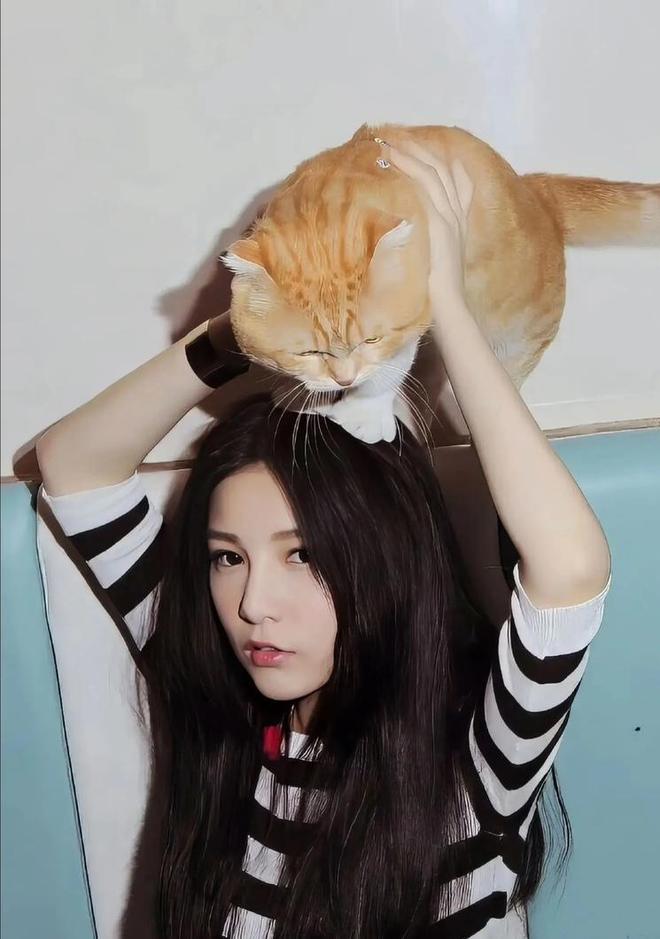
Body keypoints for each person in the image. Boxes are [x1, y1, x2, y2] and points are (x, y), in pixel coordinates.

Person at [35, 139, 612, 939]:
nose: (253, 604)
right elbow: (74, 465)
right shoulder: (221, 697)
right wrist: (254, 327)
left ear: (385, 555)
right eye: (228, 556)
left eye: (302, 554)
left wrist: (438, 297)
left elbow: (570, 569)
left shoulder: (472, 762)